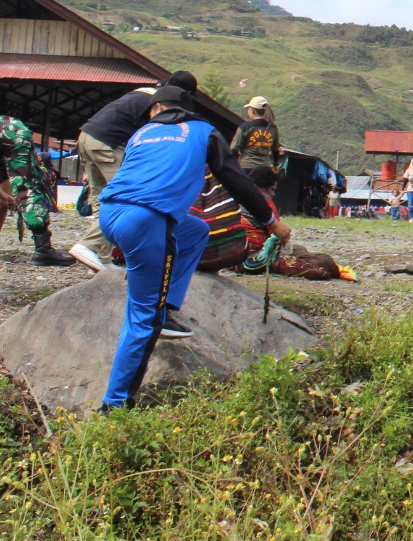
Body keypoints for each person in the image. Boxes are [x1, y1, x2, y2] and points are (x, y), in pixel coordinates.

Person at [97, 85, 286, 409]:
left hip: (110, 214)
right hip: (145, 222)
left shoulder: (142, 132)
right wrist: (272, 222)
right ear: (188, 108)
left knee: (195, 230)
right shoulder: (203, 131)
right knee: (143, 318)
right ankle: (114, 405)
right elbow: (237, 181)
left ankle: (167, 308)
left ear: (156, 110)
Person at [69, 72, 199, 269]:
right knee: (128, 198)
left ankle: (100, 257)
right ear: (184, 93)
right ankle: (89, 246)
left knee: (102, 198)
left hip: (87, 135)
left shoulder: (143, 92)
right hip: (108, 142)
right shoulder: (161, 104)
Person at [240, 167, 342, 279]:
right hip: (252, 257)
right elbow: (277, 235)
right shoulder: (260, 206)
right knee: (324, 262)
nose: (273, 194)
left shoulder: (243, 200)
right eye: (272, 190)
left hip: (251, 251)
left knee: (302, 250)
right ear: (260, 187)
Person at [0, 115, 74, 266]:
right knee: (20, 187)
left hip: (12, 133)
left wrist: (6, 197)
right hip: (9, 133)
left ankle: (43, 249)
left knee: (26, 187)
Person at [231, 97, 282, 172]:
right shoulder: (273, 128)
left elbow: (234, 148)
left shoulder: (245, 127)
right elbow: (275, 150)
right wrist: (275, 165)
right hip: (265, 169)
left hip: (246, 168)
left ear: (252, 110)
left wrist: (232, 165)